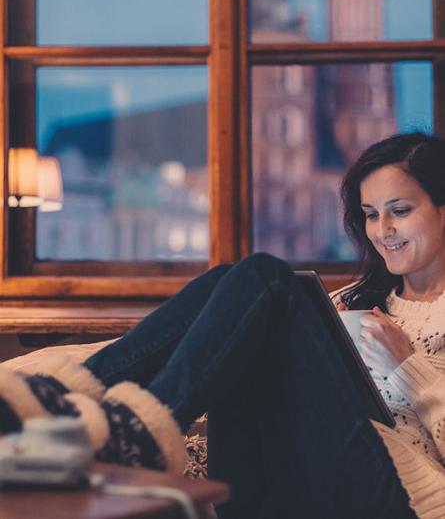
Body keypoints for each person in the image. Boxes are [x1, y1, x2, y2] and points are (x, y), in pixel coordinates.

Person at [1, 132, 445, 519]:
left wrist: (407, 365)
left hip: (401, 502)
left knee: (267, 278)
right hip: (287, 486)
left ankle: (124, 426)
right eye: (370, 213)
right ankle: (54, 403)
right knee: (231, 282)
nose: (382, 229)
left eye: (399, 210)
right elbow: (203, 340)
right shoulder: (351, 304)